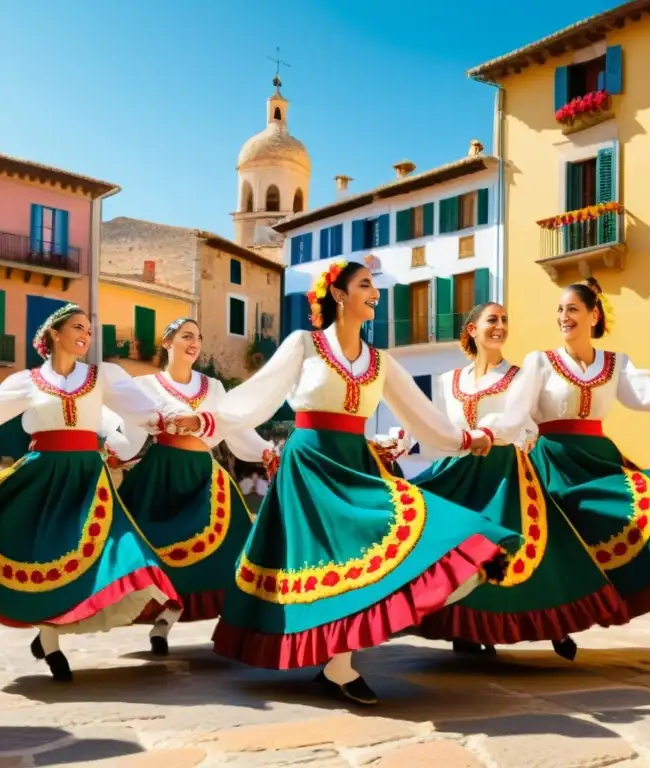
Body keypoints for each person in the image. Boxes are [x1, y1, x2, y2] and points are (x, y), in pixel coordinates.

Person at [208, 261, 518, 706]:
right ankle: (338, 665)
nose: (377, 293)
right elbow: (256, 397)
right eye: (366, 285)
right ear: (338, 295)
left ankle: (337, 665)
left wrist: (468, 438)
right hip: (310, 466)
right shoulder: (305, 345)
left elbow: (422, 417)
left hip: (357, 462)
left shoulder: (380, 362)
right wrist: (207, 418)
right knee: (333, 559)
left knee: (380, 547)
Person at [482, 278, 650, 621]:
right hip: (553, 462)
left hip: (598, 460)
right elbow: (516, 412)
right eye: (560, 310)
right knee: (556, 541)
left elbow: (644, 392)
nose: (564, 317)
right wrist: (489, 434)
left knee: (626, 518)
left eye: (573, 309)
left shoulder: (614, 364)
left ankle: (589, 605)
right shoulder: (541, 361)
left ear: (593, 316)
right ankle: (550, 617)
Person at [0, 304, 200, 682]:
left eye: (89, 329)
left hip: (87, 479)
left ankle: (66, 629)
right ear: (53, 334)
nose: (86, 334)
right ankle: (49, 640)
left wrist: (171, 416)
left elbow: (142, 407)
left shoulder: (102, 377)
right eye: (78, 327)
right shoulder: (26, 381)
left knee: (121, 551)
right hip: (41, 478)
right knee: (47, 557)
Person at [409, 302, 626, 660]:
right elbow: (437, 427)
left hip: (504, 470)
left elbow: (524, 421)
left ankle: (554, 623)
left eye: (505, 320)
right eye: (492, 320)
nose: (500, 326)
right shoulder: (448, 381)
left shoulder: (521, 374)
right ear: (472, 329)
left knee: (522, 547)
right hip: (460, 470)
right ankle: (466, 630)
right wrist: (401, 441)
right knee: (458, 546)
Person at [112, 318, 275, 654]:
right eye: (186, 336)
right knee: (153, 551)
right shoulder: (145, 385)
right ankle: (164, 612)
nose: (194, 343)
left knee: (232, 551)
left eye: (198, 337)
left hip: (204, 477)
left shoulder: (213, 387)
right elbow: (132, 432)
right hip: (162, 475)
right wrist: (113, 451)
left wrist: (264, 451)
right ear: (167, 342)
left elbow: (234, 428)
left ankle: (230, 623)